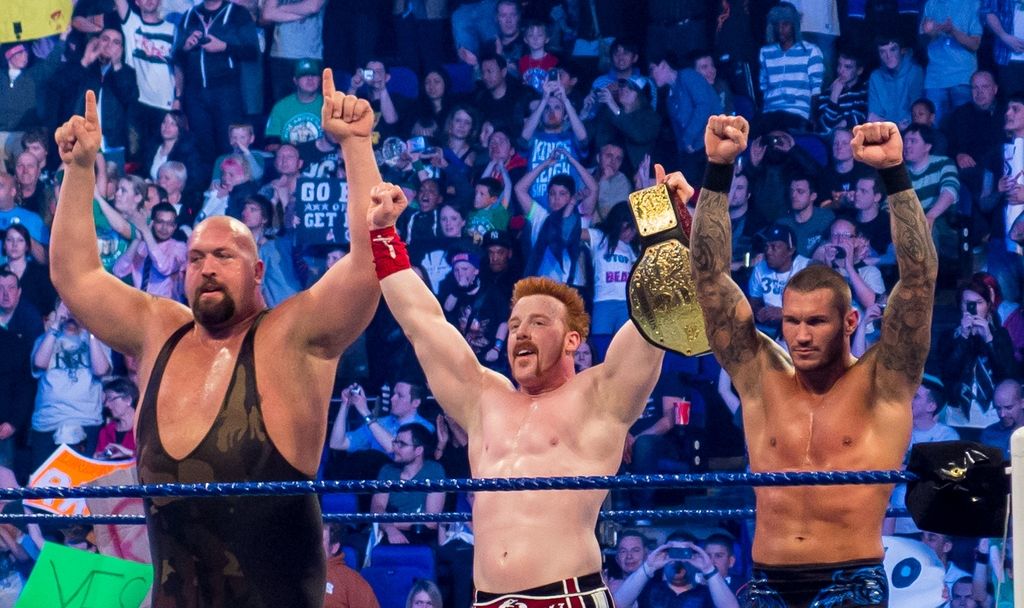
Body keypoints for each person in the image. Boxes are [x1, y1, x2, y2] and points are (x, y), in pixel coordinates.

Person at [49, 73, 380, 605]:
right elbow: (76, 277)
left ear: (257, 270)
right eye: (196, 257)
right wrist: (79, 169)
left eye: (224, 256)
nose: (206, 267)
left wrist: (357, 147)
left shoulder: (293, 335)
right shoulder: (160, 329)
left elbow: (368, 268)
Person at [366, 172, 666, 600]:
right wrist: (383, 234)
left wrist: (662, 222)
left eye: (539, 323)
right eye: (515, 325)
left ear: (572, 341)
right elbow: (423, 324)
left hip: (565, 595)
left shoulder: (599, 397)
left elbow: (654, 317)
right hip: (487, 598)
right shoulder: (484, 398)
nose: (521, 333)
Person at [688, 115, 937, 606]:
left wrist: (894, 175)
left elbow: (919, 280)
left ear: (848, 324)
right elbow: (709, 279)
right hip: (768, 578)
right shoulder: (763, 376)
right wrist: (718, 170)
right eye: (792, 321)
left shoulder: (882, 383)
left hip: (851, 577)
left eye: (816, 323)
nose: (800, 336)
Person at [370, 423, 445, 545]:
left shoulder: (434, 471)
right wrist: (390, 529)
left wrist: (389, 523)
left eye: (402, 444)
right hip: (388, 533)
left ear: (419, 450)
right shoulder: (387, 470)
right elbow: (377, 507)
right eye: (395, 442)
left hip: (422, 537)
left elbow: (431, 522)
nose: (395, 448)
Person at [94, 376, 139, 460]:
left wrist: (129, 453)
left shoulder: (144, 429)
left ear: (128, 400)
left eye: (110, 398)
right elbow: (108, 454)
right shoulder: (106, 431)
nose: (107, 405)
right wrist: (102, 456)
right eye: (105, 401)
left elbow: (152, 460)